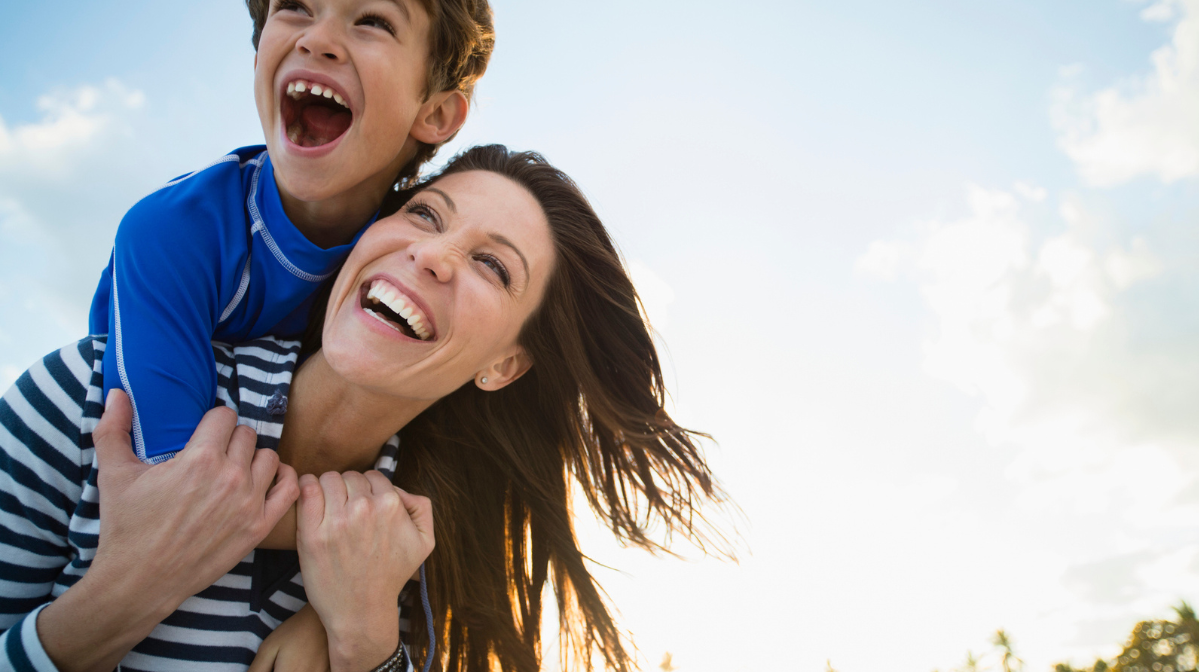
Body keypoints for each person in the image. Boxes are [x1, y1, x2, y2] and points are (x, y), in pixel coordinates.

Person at [0, 146, 727, 672]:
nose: (432, 255)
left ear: (504, 364)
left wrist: (362, 641)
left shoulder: (416, 574)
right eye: (423, 215)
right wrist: (124, 596)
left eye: (491, 265)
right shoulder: (95, 400)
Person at [89, 0, 494, 466]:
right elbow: (169, 489)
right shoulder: (171, 234)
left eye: (373, 21)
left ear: (437, 113)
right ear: (260, 53)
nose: (316, 39)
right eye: (296, 7)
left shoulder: (419, 264)